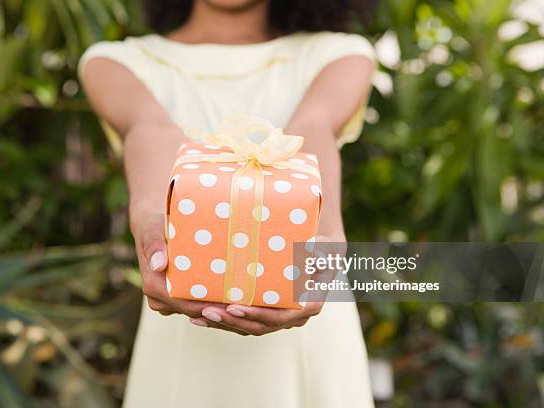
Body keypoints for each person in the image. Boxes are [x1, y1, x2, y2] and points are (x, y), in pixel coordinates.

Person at [79, 0, 376, 406]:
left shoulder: (339, 54)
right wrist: (150, 220)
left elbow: (312, 128)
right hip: (184, 321)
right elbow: (151, 130)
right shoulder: (115, 62)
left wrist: (324, 234)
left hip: (309, 312)